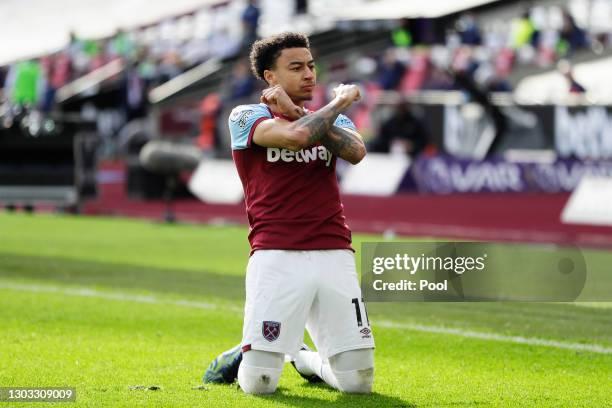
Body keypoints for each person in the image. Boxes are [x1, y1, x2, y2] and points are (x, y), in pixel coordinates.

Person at [202, 32, 375, 395]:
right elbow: (295, 137)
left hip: (334, 251)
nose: (309, 74)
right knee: (260, 384)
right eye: (296, 67)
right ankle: (251, 356)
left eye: (311, 65)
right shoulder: (246, 115)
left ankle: (300, 356)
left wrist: (302, 111)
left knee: (358, 383)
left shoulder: (327, 120)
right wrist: (341, 101)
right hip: (276, 254)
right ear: (270, 77)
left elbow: (356, 153)